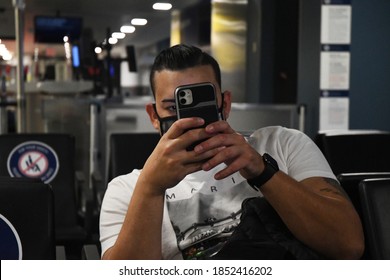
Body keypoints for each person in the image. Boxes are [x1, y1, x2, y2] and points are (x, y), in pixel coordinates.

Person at [100, 44, 364, 260]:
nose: (187, 120)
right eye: (172, 108)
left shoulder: (284, 144)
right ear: (153, 116)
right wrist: (151, 187)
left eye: (200, 103)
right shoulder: (127, 188)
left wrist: (262, 171)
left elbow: (348, 244)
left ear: (224, 104)